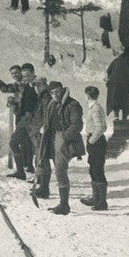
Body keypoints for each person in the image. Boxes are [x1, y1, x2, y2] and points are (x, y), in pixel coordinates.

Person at [44, 81, 84, 216]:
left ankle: (64, 205)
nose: (55, 94)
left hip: (64, 139)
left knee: (60, 169)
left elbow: (77, 125)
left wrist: (64, 138)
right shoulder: (51, 104)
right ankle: (63, 203)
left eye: (57, 91)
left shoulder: (73, 105)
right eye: (52, 92)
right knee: (57, 169)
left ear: (62, 90)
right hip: (52, 138)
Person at [80, 85, 108, 211]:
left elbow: (100, 127)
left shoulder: (95, 109)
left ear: (88, 96)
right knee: (93, 169)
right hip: (96, 141)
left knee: (97, 170)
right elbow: (104, 126)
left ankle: (102, 202)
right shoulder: (95, 108)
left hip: (96, 142)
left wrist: (91, 140)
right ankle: (96, 198)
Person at [30, 76, 53, 198]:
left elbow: (46, 116)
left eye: (39, 85)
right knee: (40, 160)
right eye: (35, 85)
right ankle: (42, 186)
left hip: (42, 134)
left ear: (45, 84)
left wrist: (43, 128)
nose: (37, 87)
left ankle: (44, 189)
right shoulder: (41, 97)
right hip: (38, 133)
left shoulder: (46, 98)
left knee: (43, 160)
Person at [106, 45, 129, 119]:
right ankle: (124, 117)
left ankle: (116, 116)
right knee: (126, 100)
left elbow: (108, 71)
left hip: (114, 84)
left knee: (116, 98)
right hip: (127, 84)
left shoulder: (116, 60)